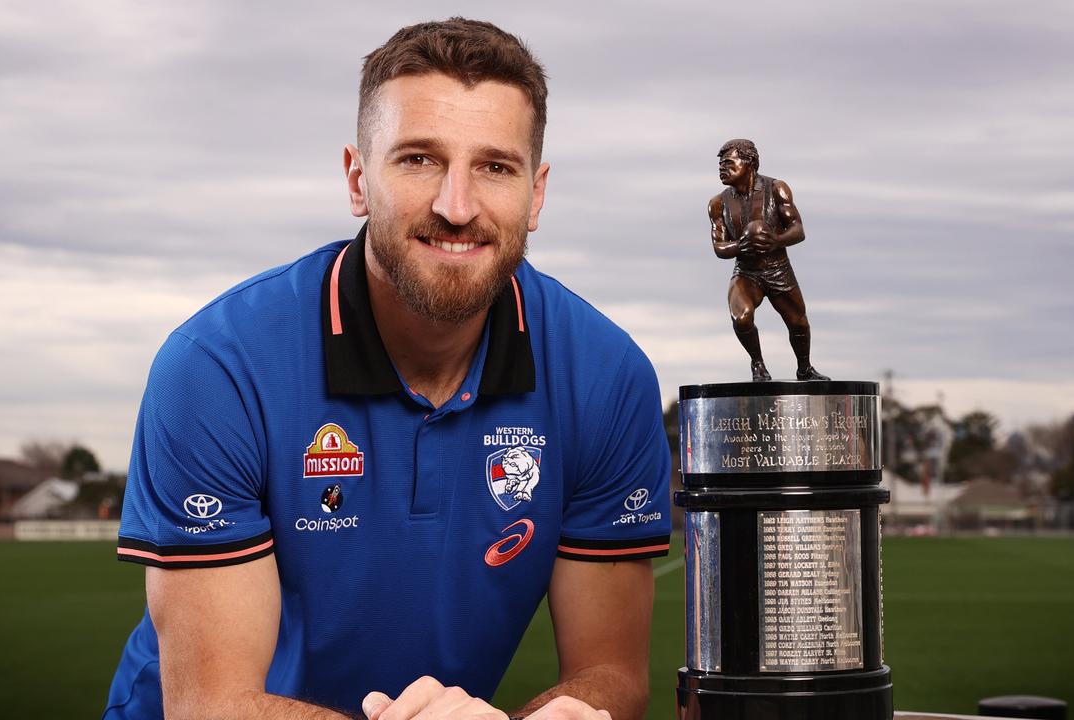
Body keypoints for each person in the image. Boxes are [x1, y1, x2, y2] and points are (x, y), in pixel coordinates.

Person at [103, 18, 672, 720]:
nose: (455, 207)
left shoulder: (606, 376)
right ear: (357, 179)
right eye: (418, 160)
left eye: (495, 167)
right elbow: (210, 705)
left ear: (538, 193)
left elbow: (612, 674)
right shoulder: (218, 367)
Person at [708, 139, 828, 382]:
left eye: (729, 163)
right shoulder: (718, 203)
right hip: (746, 272)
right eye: (720, 164)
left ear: (749, 162)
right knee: (740, 317)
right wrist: (741, 245)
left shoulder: (776, 189)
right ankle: (758, 364)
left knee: (798, 323)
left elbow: (798, 230)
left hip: (778, 269)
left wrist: (775, 240)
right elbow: (719, 247)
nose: (722, 168)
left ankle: (804, 368)